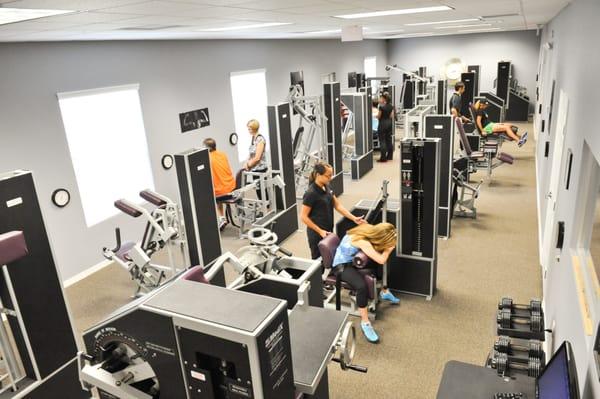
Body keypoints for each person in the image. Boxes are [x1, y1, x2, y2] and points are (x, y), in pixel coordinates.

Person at [332, 222, 400, 343]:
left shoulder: (368, 228)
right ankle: (365, 323)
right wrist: (388, 250)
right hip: (341, 266)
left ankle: (384, 291)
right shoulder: (363, 242)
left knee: (376, 266)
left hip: (351, 259)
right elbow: (381, 259)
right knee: (361, 287)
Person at [301, 162, 365, 259]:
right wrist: (320, 231)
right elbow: (303, 217)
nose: (330, 178)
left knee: (330, 258)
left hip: (328, 230)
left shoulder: (327, 186)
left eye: (331, 175)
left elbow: (337, 205)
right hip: (316, 233)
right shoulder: (311, 193)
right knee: (318, 263)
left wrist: (353, 218)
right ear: (318, 175)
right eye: (328, 176)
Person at [203, 138, 236, 230]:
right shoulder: (223, 154)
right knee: (217, 189)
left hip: (222, 192)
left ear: (207, 149)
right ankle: (222, 218)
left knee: (211, 195)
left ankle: (221, 218)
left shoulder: (207, 159)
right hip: (232, 186)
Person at [237, 119, 268, 198]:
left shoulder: (260, 139)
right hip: (254, 169)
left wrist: (248, 165)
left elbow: (257, 158)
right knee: (258, 189)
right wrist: (246, 163)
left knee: (262, 190)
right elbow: (251, 154)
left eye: (249, 128)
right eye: (248, 128)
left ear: (254, 128)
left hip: (260, 169)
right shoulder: (253, 138)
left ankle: (268, 209)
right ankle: (264, 207)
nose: (248, 130)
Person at [376, 92, 394, 162]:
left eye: (381, 98)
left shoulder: (381, 107)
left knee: (382, 140)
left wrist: (376, 116)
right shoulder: (391, 106)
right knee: (389, 140)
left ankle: (383, 158)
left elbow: (379, 116)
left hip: (382, 124)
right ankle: (390, 156)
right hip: (389, 124)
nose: (380, 99)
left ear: (384, 99)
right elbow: (391, 116)